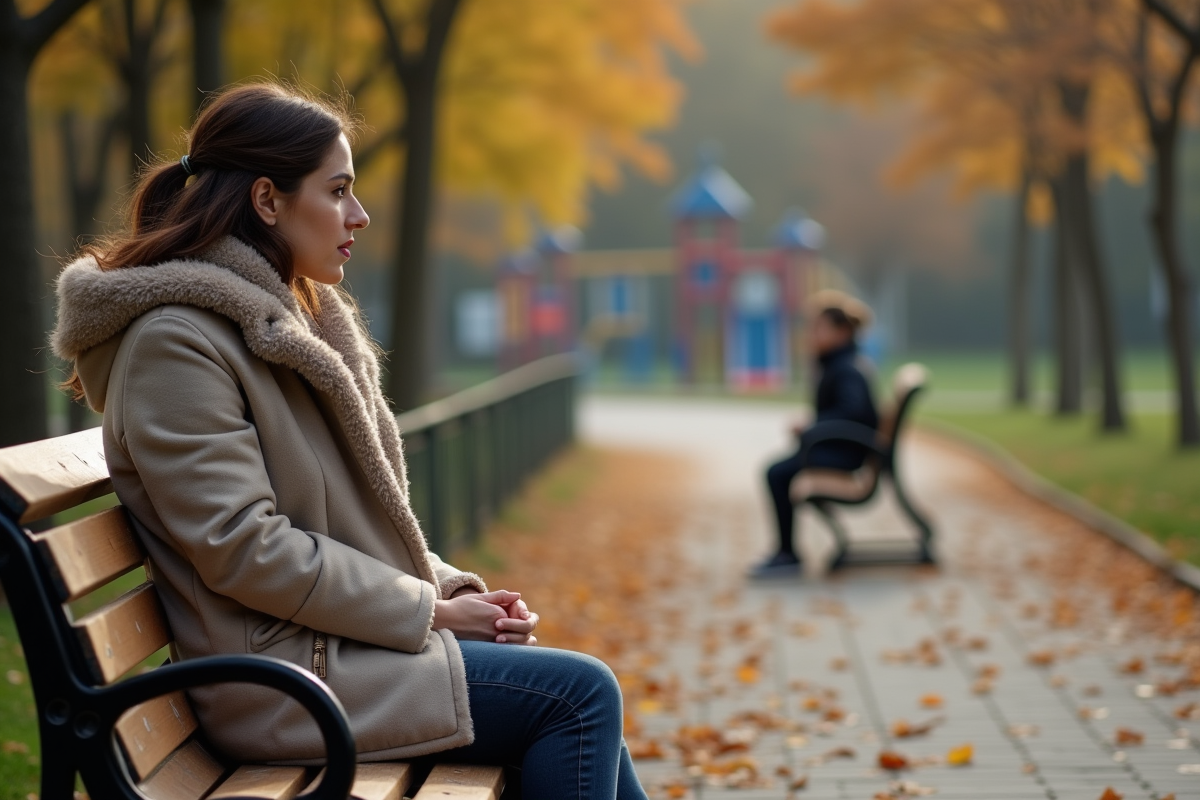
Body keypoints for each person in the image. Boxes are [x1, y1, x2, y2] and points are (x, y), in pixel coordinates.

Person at [51, 82, 645, 800]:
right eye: (337, 191)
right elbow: (244, 545)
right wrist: (428, 611)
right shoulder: (177, 343)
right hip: (279, 683)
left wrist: (450, 589)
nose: (358, 216)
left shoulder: (281, 324)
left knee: (578, 702)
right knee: (578, 699)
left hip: (329, 654)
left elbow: (343, 521)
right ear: (267, 201)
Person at [749, 290, 879, 578]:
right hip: (842, 448)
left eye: (820, 328)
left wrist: (812, 426)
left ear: (842, 332)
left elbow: (852, 411)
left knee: (776, 473)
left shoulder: (846, 368)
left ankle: (788, 554)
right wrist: (814, 424)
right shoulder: (841, 362)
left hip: (846, 453)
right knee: (779, 471)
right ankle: (786, 552)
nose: (812, 334)